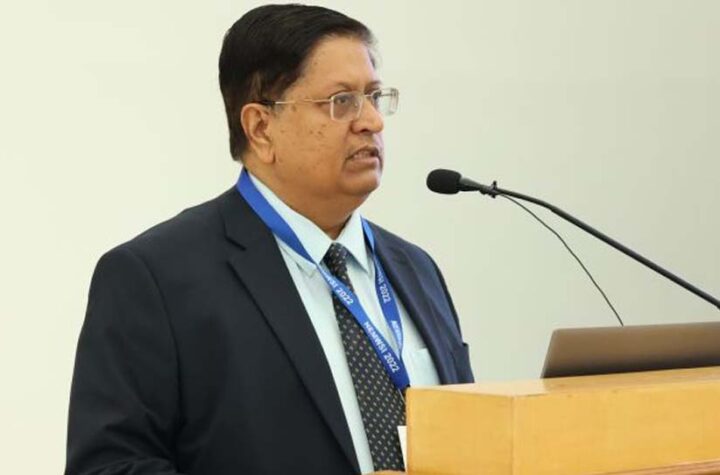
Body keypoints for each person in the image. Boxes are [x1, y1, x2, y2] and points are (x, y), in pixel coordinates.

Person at [65, 4, 474, 475]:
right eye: (342, 101)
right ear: (260, 128)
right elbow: (108, 467)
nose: (372, 122)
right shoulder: (156, 279)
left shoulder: (415, 269)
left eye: (374, 97)